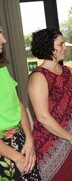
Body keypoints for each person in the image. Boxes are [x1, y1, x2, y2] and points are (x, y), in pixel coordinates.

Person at [28, 28, 72, 181]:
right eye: (61, 44)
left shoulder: (69, 71)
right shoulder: (38, 77)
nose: (65, 47)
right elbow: (42, 117)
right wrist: (70, 137)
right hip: (53, 142)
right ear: (49, 48)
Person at [0, 26, 41, 180]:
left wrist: (29, 139)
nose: (3, 39)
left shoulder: (2, 69)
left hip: (20, 140)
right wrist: (17, 157)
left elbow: (19, 105)